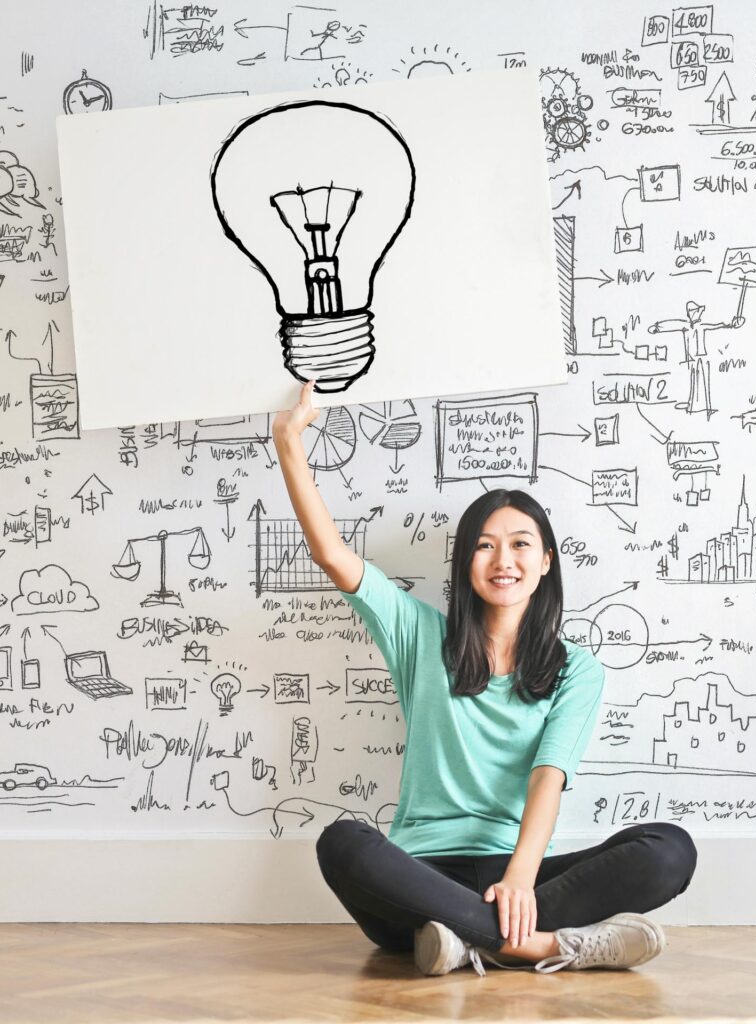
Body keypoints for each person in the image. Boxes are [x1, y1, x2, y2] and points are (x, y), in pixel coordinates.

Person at [272, 381, 698, 977]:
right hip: (419, 875)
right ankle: (541, 947)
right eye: (485, 546)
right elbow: (332, 555)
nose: (504, 561)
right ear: (464, 563)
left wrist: (521, 877)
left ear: (546, 560)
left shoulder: (578, 668)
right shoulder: (419, 635)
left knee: (669, 849)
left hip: (519, 874)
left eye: (521, 544)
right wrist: (288, 441)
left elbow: (549, 777)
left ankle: (461, 940)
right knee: (343, 843)